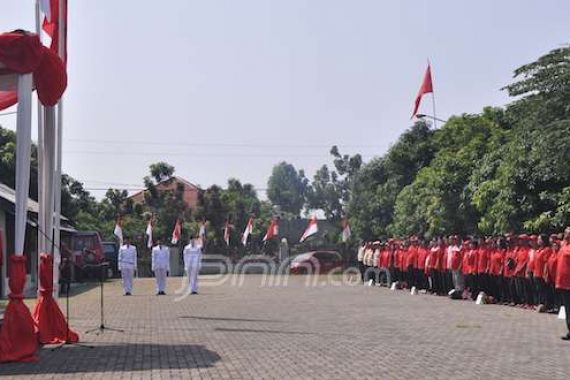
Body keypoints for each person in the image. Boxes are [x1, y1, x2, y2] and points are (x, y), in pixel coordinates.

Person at [555, 227, 570, 341]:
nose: (565, 234)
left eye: (567, 232)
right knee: (567, 308)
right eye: (565, 232)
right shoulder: (563, 245)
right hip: (562, 282)